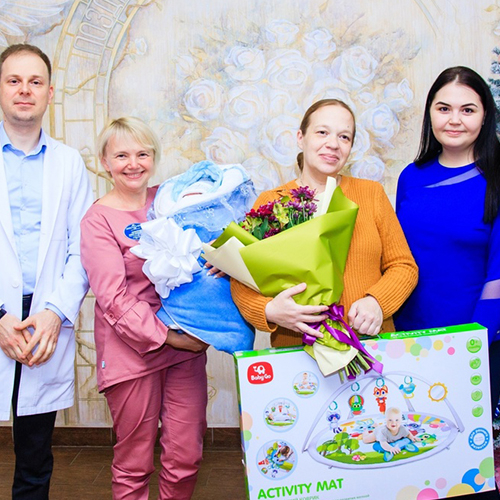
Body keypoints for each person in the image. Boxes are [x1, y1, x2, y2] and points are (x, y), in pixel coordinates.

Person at [80, 117, 208, 500]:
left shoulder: (169, 202)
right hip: (132, 354)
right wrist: (171, 337)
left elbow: (201, 257)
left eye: (142, 154)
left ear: (154, 157)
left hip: (185, 349)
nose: (133, 164)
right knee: (134, 463)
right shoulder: (97, 220)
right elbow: (113, 298)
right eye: (121, 155)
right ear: (105, 162)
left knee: (186, 456)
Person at [231, 99, 418, 346]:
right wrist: (270, 310)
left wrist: (378, 302)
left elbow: (404, 266)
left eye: (344, 137)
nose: (333, 144)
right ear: (301, 138)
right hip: (297, 351)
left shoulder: (371, 194)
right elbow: (241, 280)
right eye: (322, 132)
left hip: (370, 343)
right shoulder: (271, 202)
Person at [395, 66, 500, 500]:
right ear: (430, 114)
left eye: (467, 109)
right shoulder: (410, 176)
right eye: (444, 108)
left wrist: (469, 346)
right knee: (414, 456)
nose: (454, 119)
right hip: (408, 342)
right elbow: (398, 258)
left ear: (485, 115)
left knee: (468, 464)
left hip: (475, 344)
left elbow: (498, 275)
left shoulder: (497, 177)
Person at [0, 43, 93, 499]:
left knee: (35, 455)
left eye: (35, 82)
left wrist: (55, 313)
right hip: (0, 311)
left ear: (49, 93)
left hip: (43, 316)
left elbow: (83, 250)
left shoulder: (69, 163)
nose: (25, 90)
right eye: (14, 80)